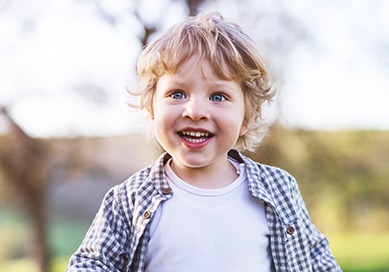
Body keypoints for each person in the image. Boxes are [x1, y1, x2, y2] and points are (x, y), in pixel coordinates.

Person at [66, 12, 341, 272]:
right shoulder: (128, 201)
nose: (195, 111)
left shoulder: (279, 190)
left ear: (246, 116)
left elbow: (318, 262)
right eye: (176, 93)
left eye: (218, 96)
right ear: (152, 109)